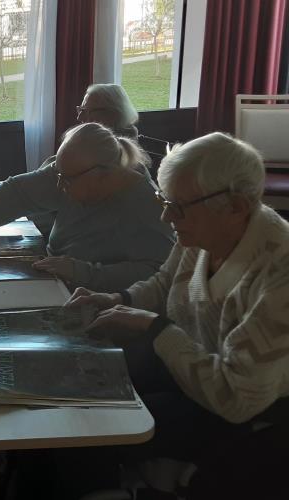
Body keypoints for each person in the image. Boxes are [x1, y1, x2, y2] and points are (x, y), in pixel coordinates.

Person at [65, 132, 289, 497]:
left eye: (178, 207)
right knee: (79, 387)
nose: (166, 215)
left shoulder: (279, 276)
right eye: (164, 200)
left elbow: (236, 400)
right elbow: (165, 283)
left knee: (94, 427)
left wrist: (156, 329)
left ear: (236, 206)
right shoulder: (206, 232)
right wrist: (116, 298)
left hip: (239, 411)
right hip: (185, 370)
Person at [0, 122, 175, 292]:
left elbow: (157, 273)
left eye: (66, 179)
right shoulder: (72, 174)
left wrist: (82, 272)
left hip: (99, 300)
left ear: (103, 174)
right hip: (55, 277)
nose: (59, 184)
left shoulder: (147, 206)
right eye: (57, 174)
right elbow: (18, 191)